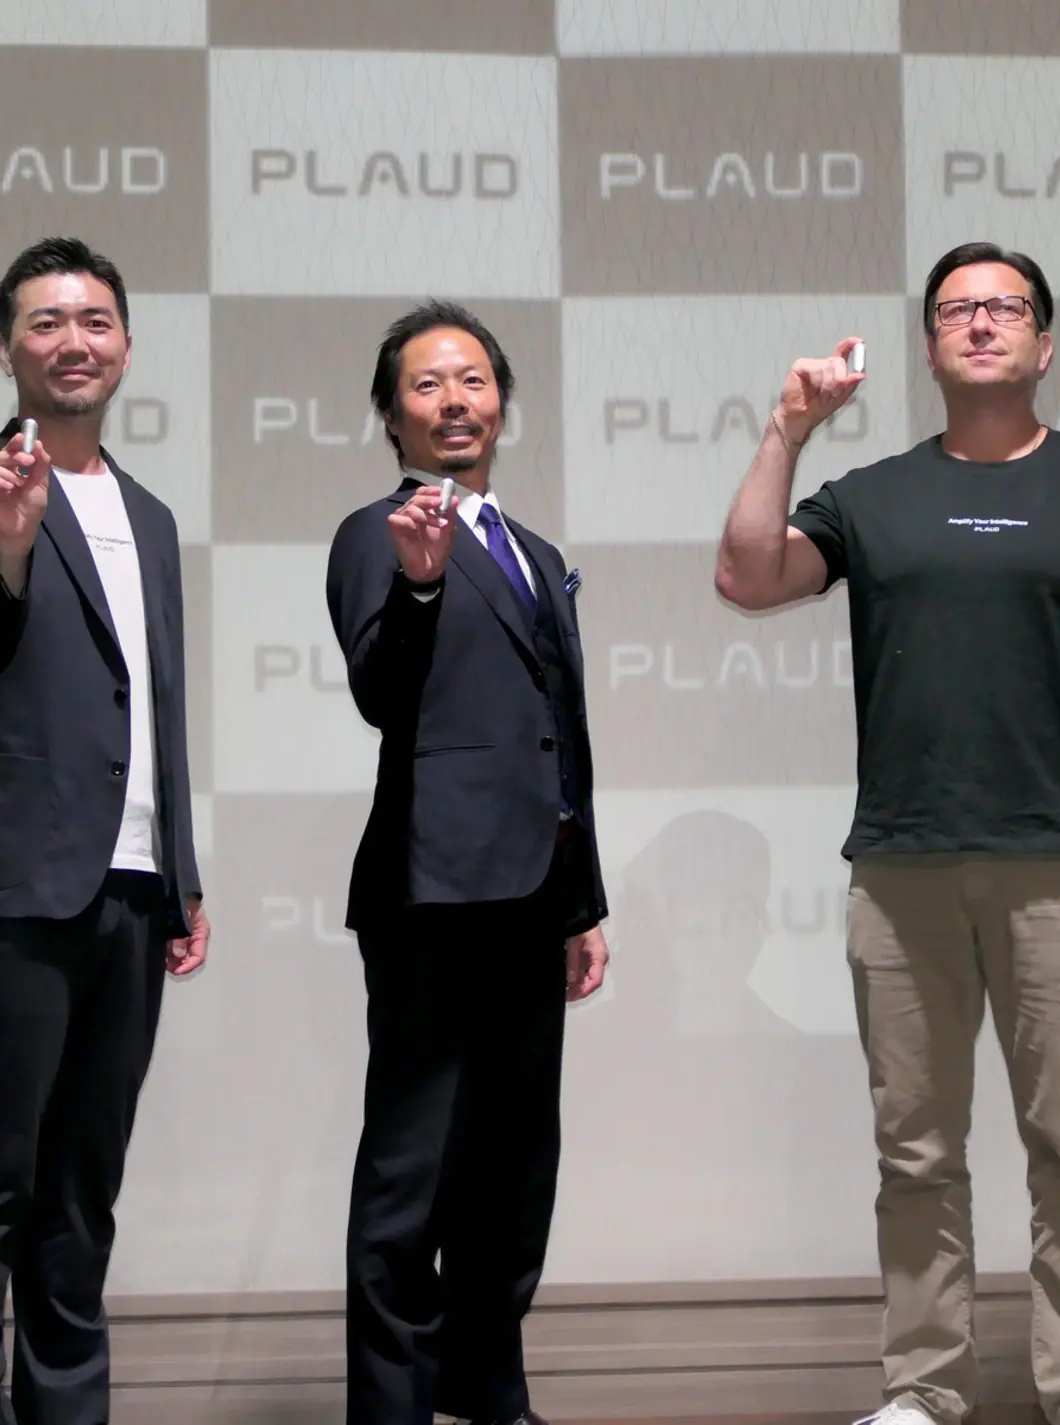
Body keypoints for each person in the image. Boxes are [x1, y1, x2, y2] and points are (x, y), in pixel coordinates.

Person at [714, 241, 1060, 1425]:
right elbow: (747, 576)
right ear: (930, 347)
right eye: (955, 310)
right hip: (901, 866)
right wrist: (787, 428)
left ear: (1044, 343)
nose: (980, 323)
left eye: (1004, 308)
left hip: (1059, 865)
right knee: (915, 1153)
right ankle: (924, 1389)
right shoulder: (873, 495)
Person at [0, 236, 209, 1425]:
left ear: (125, 346)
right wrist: (11, 544)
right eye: (44, 322)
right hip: (8, 890)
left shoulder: (151, 515)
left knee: (83, 1196)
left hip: (131, 889)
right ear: (5, 350)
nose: (71, 341)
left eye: (93, 321)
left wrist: (180, 870)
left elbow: (157, 703)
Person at [326, 300, 610, 1425]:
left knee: (513, 1174)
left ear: (502, 403)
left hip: (533, 901)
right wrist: (420, 585)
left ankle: (491, 1395)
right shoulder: (376, 533)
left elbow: (561, 742)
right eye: (428, 384)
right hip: (430, 898)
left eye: (474, 381)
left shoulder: (534, 553)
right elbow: (380, 694)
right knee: (413, 1177)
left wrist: (581, 902)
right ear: (392, 414)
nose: (455, 401)